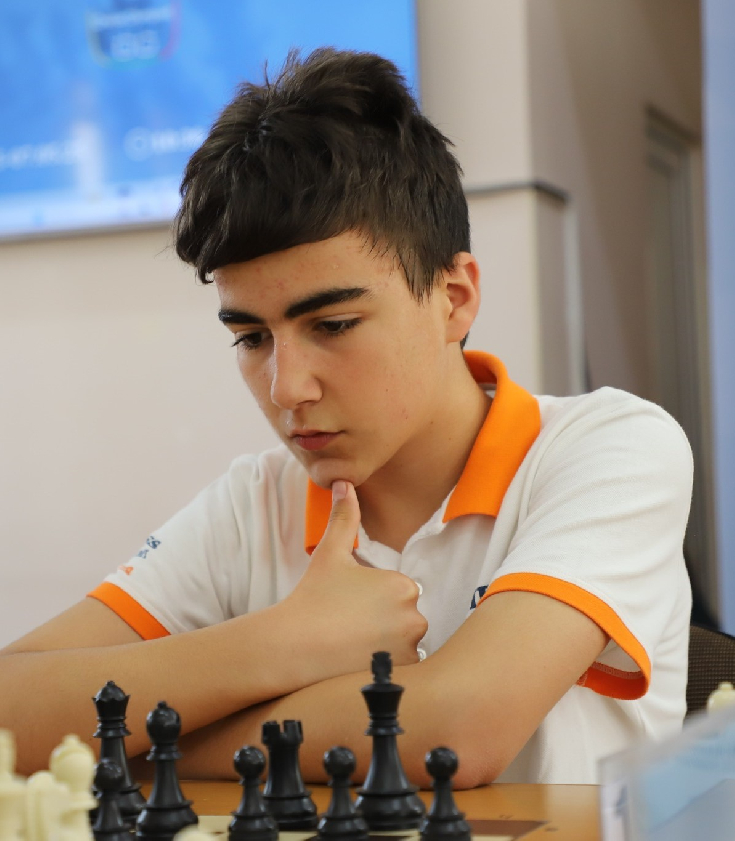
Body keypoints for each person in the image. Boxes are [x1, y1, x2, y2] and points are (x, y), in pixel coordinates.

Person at [0, 48, 692, 786]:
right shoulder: (253, 502)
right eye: (250, 338)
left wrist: (147, 742)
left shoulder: (611, 447)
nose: (286, 388)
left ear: (454, 298)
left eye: (332, 325)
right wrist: (281, 643)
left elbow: (459, 728)